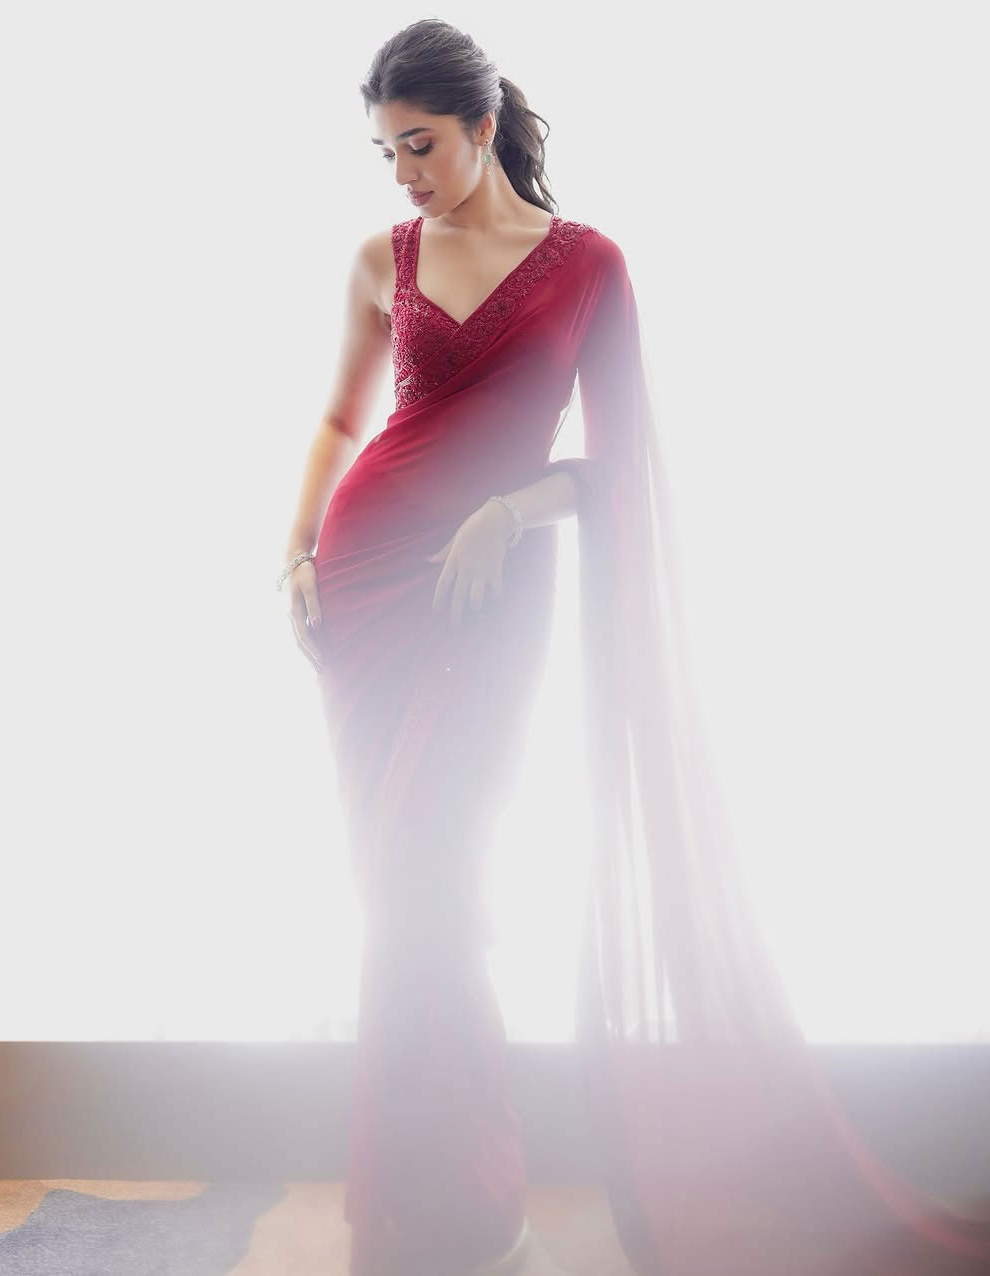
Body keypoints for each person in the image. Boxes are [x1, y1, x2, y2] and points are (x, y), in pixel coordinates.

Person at [278, 19, 990, 1276]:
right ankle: (424, 1214)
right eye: (387, 152)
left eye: (422, 144)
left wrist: (511, 509)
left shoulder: (590, 267)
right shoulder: (380, 259)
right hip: (366, 592)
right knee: (393, 897)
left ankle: (471, 1203)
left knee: (438, 891)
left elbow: (617, 465)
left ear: (484, 125)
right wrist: (293, 549)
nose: (404, 173)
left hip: (490, 604)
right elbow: (341, 420)